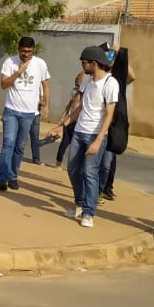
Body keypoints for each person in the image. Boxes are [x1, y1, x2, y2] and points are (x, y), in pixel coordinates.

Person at [46, 47, 117, 228]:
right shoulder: (87, 81)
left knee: (90, 172)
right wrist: (62, 126)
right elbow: (80, 108)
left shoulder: (110, 83)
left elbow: (109, 114)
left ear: (94, 63)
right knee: (72, 169)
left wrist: (98, 140)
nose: (82, 66)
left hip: (95, 134)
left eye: (84, 62)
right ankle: (80, 203)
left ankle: (88, 213)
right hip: (79, 132)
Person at [0, 36, 51, 191]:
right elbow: (3, 84)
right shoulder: (10, 62)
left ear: (34, 50)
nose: (26, 54)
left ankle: (13, 176)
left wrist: (46, 105)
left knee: (20, 146)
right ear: (18, 50)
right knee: (8, 143)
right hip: (11, 110)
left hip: (29, 113)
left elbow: (45, 85)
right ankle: (2, 178)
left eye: (29, 51)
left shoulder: (40, 64)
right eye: (23, 51)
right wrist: (18, 72)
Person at [98, 42, 136, 200]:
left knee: (109, 160)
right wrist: (112, 53)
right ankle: (95, 189)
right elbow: (108, 64)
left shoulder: (117, 79)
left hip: (114, 123)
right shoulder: (97, 74)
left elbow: (132, 76)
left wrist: (120, 57)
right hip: (97, 122)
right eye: (105, 54)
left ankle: (105, 187)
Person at [49, 72, 85, 168]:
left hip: (70, 120)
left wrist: (63, 117)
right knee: (76, 145)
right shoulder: (80, 93)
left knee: (65, 143)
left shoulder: (74, 91)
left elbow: (69, 105)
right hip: (75, 121)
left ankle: (58, 162)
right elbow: (74, 107)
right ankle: (74, 165)